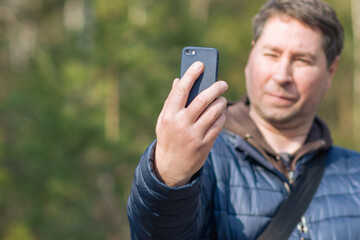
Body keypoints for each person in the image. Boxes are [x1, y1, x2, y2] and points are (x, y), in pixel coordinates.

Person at [127, 0, 360, 239]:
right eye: (271, 54)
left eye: (302, 60)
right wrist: (169, 176)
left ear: (330, 71)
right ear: (251, 56)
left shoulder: (356, 173)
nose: (282, 76)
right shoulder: (200, 157)